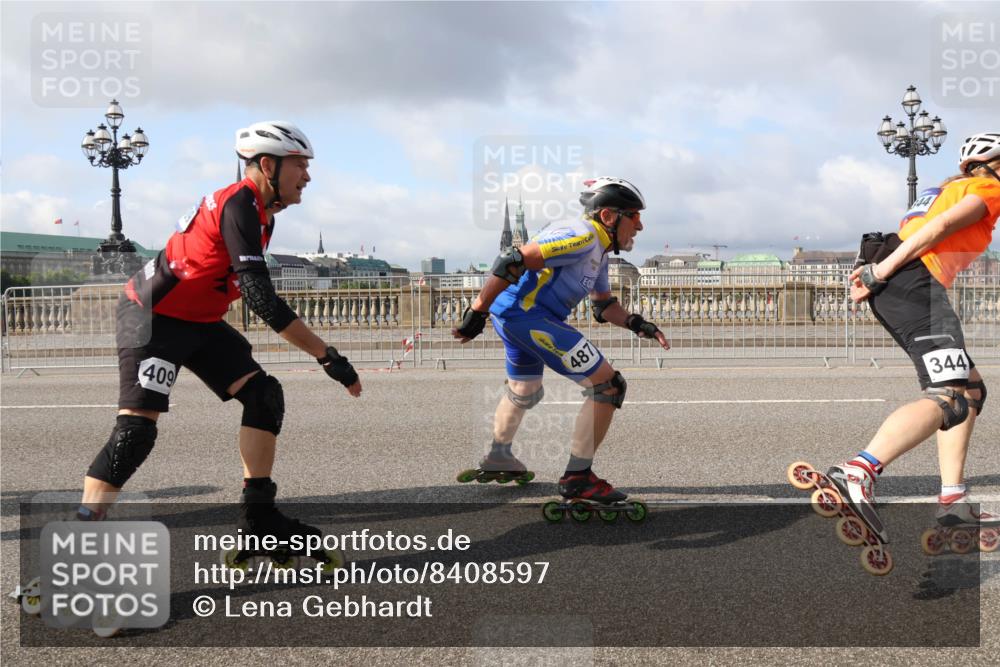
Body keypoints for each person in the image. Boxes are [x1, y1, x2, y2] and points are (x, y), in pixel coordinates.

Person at [78, 121, 362, 560]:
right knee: (135, 432)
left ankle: (259, 519)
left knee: (263, 395)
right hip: (151, 318)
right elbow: (261, 300)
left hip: (199, 320)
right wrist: (328, 356)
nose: (307, 176)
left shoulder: (259, 210)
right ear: (268, 165)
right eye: (300, 166)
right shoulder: (240, 206)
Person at [452, 177, 670, 506]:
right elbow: (512, 259)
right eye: (634, 215)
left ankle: (499, 456)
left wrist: (637, 323)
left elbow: (603, 306)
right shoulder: (581, 235)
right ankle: (579, 478)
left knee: (525, 388)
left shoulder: (598, 249)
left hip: (518, 316)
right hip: (527, 316)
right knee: (608, 386)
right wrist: (476, 312)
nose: (640, 225)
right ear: (609, 217)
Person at [829, 132, 1000, 544]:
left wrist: (879, 270)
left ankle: (952, 501)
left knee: (970, 391)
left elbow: (917, 229)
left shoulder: (945, 187)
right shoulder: (989, 187)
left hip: (905, 282)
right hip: (914, 283)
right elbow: (939, 228)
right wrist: (881, 272)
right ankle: (858, 472)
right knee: (949, 396)